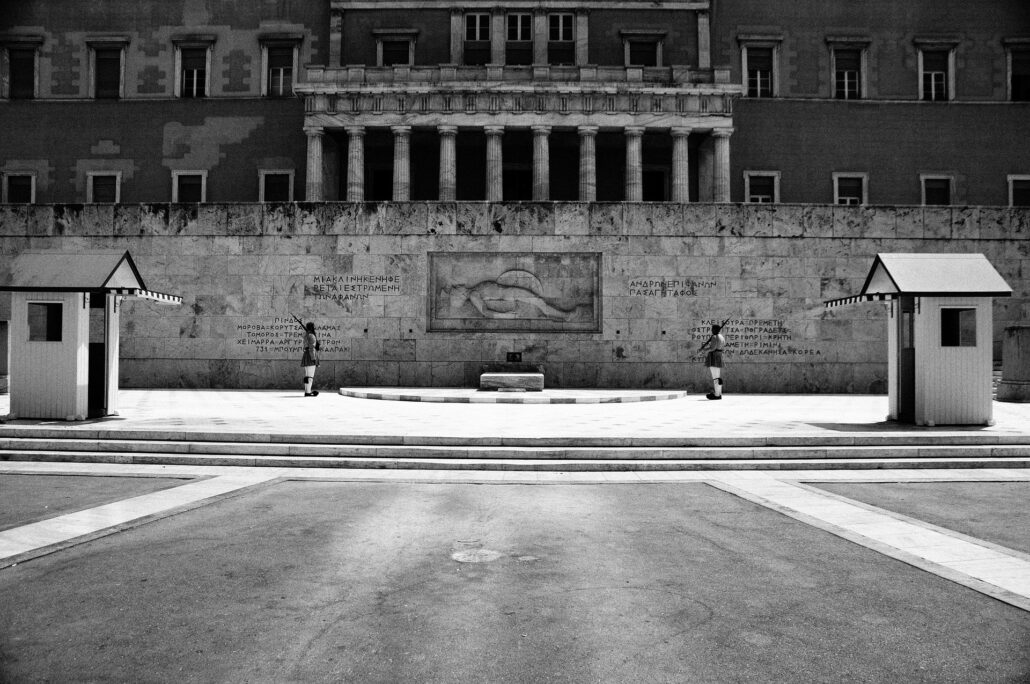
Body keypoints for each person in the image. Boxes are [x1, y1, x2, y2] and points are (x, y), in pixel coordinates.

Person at [698, 323, 726, 400]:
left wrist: (704, 350)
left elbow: (712, 348)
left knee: (715, 378)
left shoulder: (714, 337)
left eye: (712, 329)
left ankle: (717, 395)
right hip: (719, 355)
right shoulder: (721, 337)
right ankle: (719, 394)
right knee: (718, 377)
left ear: (715, 330)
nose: (711, 330)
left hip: (714, 356)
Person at [300, 321, 320, 397]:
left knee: (307, 375)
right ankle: (308, 392)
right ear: (312, 327)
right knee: (310, 376)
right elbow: (311, 348)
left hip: (306, 355)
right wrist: (313, 358)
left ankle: (307, 391)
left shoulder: (306, 335)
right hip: (311, 355)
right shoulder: (311, 336)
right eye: (314, 326)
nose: (315, 328)